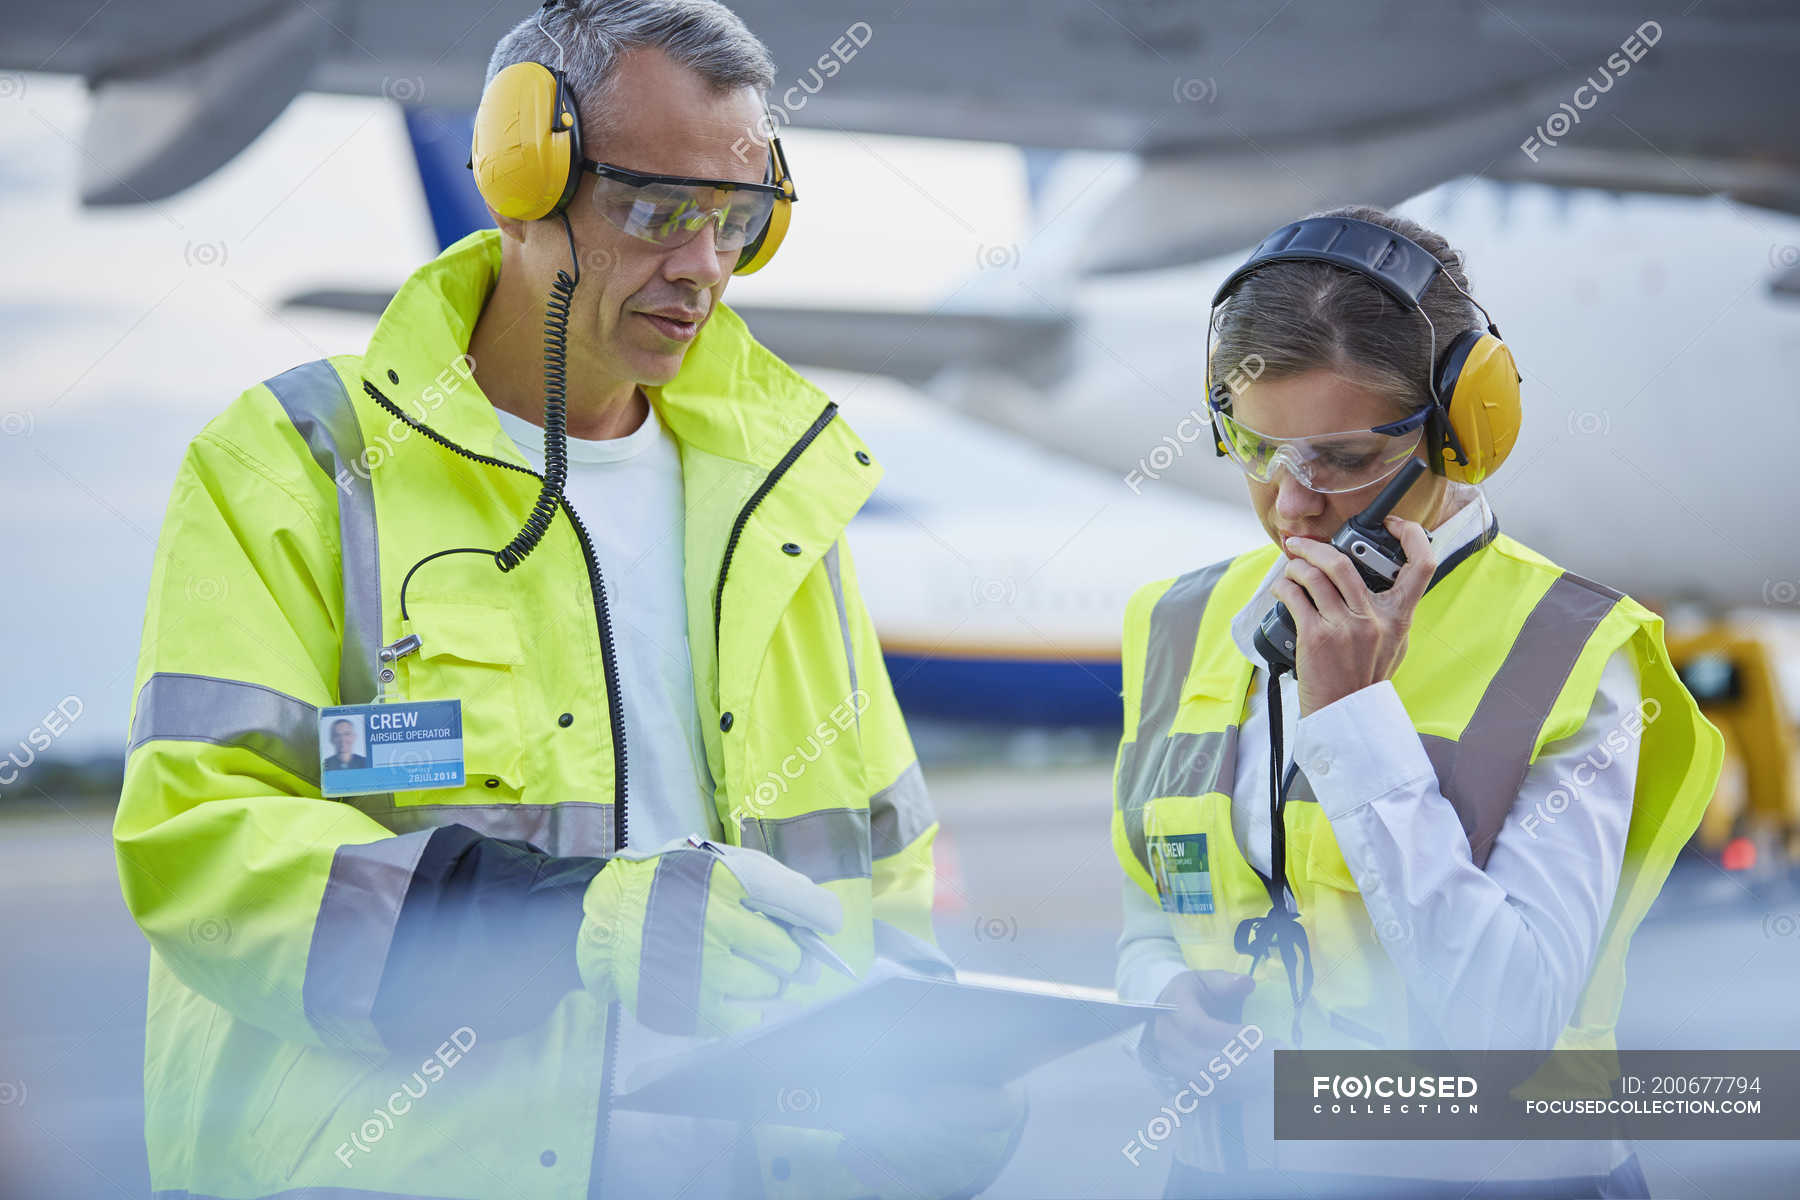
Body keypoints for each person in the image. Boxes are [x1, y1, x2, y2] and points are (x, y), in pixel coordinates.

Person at [114, 2, 1021, 1196]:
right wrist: (562, 926)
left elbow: (884, 861)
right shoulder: (298, 460)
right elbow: (202, 848)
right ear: (518, 178)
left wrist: (913, 1079)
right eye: (656, 212)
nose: (702, 268)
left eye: (739, 224)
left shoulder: (782, 499)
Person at [1110, 206, 1722, 1198]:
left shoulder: (1569, 650)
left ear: (1462, 433)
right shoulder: (1177, 623)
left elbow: (1508, 1023)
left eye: (1345, 460)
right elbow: (1154, 910)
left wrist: (1355, 720)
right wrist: (1158, 995)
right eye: (1257, 448)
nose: (1294, 503)